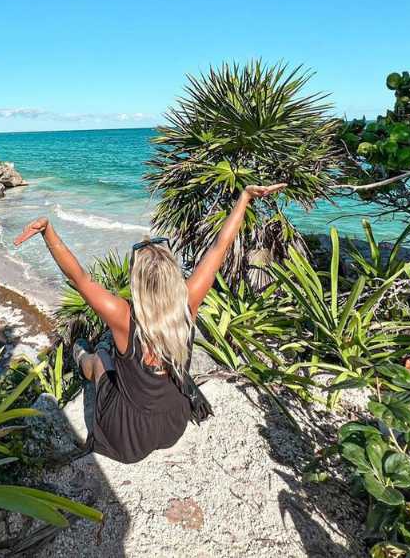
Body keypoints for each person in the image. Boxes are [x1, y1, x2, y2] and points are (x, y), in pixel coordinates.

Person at [14, 182, 286, 464]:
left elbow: (80, 278)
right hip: (173, 424)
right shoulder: (187, 305)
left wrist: (48, 232)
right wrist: (244, 198)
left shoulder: (124, 318)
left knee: (101, 361)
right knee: (111, 356)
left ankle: (79, 354)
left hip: (130, 438)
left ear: (138, 282)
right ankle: (84, 355)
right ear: (172, 276)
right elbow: (220, 248)